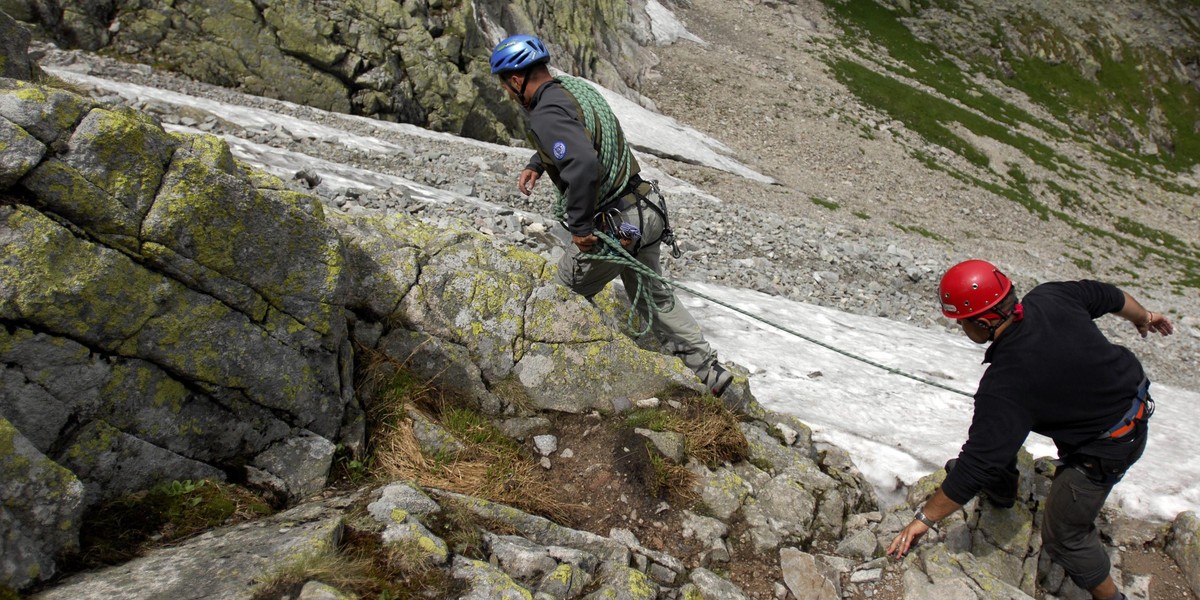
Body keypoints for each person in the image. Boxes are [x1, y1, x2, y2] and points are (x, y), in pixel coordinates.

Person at [887, 259, 1174, 600]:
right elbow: (1108, 295)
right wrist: (1145, 318)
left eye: (963, 322)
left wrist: (923, 520)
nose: (962, 328)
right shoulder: (1051, 296)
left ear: (982, 321)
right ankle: (1003, 490)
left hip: (1108, 447)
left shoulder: (1007, 383)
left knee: (1064, 536)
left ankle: (1112, 598)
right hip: (1132, 400)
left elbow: (978, 462)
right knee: (998, 435)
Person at [489, 34, 733, 396]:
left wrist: (582, 227)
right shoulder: (572, 89)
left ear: (515, 79)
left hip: (616, 224)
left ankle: (560, 380)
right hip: (645, 210)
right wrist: (537, 163)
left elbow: (583, 162)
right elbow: (580, 135)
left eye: (507, 88)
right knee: (655, 295)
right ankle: (709, 369)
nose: (510, 95)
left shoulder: (545, 112)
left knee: (564, 292)